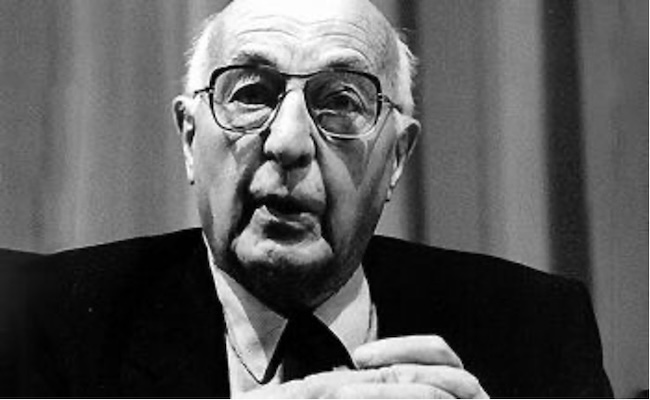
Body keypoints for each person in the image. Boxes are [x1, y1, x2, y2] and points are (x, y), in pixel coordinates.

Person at [10, 0, 612, 397]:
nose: (290, 142)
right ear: (191, 140)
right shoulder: (44, 324)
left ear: (397, 157)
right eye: (251, 93)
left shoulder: (536, 329)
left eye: (342, 101)